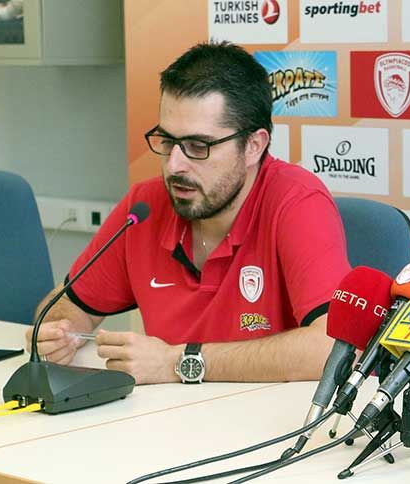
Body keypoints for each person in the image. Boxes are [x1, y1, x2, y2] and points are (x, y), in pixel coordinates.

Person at [25, 42, 351, 385]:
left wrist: (180, 362)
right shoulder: (145, 206)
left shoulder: (297, 202)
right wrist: (58, 332)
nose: (174, 166)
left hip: (270, 415)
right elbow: (66, 305)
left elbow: (334, 347)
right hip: (168, 414)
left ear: (254, 146)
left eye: (198, 146)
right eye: (167, 142)